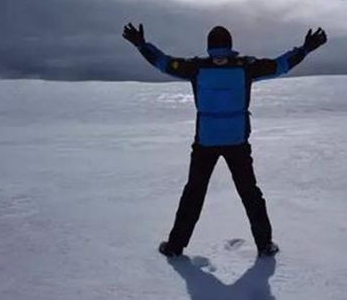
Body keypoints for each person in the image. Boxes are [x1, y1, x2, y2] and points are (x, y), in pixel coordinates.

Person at [122, 22, 327, 257]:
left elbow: (164, 63)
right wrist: (304, 49)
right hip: (236, 142)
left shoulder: (196, 68)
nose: (218, 59)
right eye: (216, 54)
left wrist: (141, 45)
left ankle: (175, 246)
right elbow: (280, 65)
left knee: (195, 194)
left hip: (207, 143)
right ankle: (265, 245)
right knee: (249, 193)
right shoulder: (245, 67)